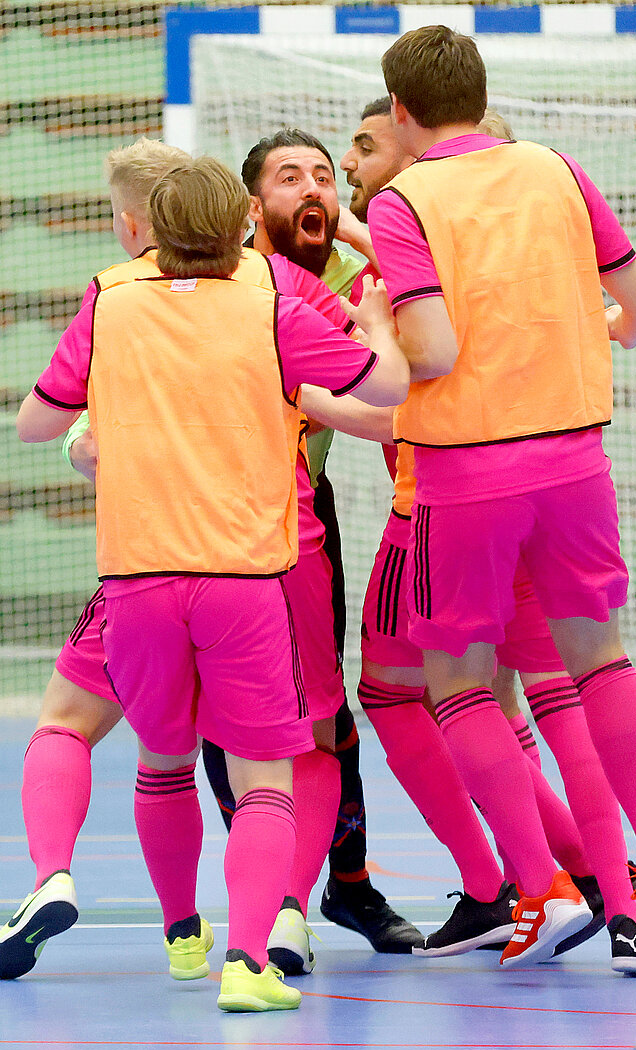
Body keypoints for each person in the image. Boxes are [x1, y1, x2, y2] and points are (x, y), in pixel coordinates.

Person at [19, 155, 408, 1012]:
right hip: (250, 570)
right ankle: (253, 954)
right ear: (243, 222)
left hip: (140, 571)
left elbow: (39, 424)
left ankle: (160, 928)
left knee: (154, 756)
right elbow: (385, 391)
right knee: (270, 769)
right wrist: (376, 321)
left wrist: (94, 432)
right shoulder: (272, 296)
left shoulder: (110, 298)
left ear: (142, 226)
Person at [368, 25, 636, 968]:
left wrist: (366, 352)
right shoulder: (560, 170)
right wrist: (576, 333)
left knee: (459, 684)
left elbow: (429, 352)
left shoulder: (405, 201)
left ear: (401, 112)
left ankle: (541, 885)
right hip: (575, 462)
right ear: (482, 92)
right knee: (599, 661)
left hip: (466, 473)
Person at [197, 128, 426, 959]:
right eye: (291, 178)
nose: (315, 190)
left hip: (301, 510)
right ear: (252, 206)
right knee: (230, 717)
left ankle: (349, 885)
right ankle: (269, 884)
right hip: (207, 517)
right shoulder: (219, 278)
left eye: (325, 177)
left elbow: (400, 379)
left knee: (329, 714)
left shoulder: (357, 281)